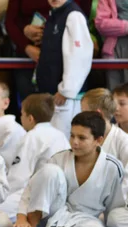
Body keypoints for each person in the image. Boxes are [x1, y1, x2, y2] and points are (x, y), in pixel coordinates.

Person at [13, 111, 125, 227]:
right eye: (72, 135)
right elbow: (31, 188)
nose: (74, 142)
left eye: (82, 138)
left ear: (99, 140)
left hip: (84, 220)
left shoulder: (112, 167)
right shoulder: (58, 159)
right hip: (53, 214)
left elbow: (114, 206)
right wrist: (21, 216)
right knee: (49, 171)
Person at [0, 93, 70, 220]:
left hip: (39, 197)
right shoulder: (61, 135)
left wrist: (3, 196)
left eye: (22, 114)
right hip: (61, 199)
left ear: (30, 118)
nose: (21, 118)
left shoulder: (32, 136)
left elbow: (18, 178)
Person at [36, 0, 93, 137]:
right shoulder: (54, 14)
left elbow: (80, 56)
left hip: (65, 99)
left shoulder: (74, 15)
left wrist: (67, 90)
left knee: (63, 145)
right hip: (52, 95)